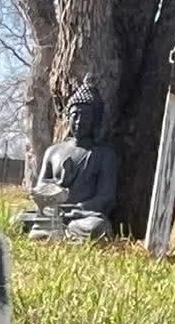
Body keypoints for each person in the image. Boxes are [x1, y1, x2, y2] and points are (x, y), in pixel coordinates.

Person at [17, 77, 117, 241]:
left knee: (97, 227)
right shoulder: (54, 151)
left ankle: (57, 232)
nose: (79, 122)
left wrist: (77, 209)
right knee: (18, 219)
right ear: (67, 118)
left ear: (95, 120)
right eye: (74, 116)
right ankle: (58, 232)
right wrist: (59, 184)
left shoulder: (103, 155)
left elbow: (107, 198)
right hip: (51, 212)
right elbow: (40, 187)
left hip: (81, 216)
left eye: (85, 117)